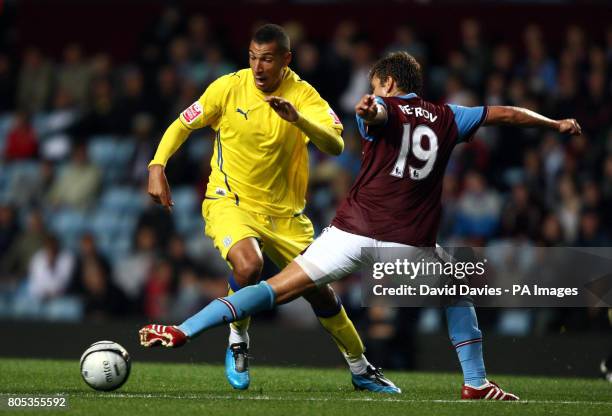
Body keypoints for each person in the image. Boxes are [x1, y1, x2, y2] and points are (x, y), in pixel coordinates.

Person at [141, 51, 583, 399]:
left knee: (273, 289)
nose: (373, 93)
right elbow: (504, 113)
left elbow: (377, 116)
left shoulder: (381, 108)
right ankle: (476, 381)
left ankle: (184, 329)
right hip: (406, 248)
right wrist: (555, 122)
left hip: (349, 235)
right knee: (457, 288)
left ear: (388, 83)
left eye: (376, 86)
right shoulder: (449, 117)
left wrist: (371, 110)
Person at [144, 24, 397, 393]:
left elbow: (336, 145)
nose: (258, 67)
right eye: (252, 57)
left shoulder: (304, 95)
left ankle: (361, 368)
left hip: (286, 217)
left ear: (286, 59)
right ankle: (237, 342)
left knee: (321, 293)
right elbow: (182, 124)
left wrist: (299, 119)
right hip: (230, 201)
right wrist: (157, 166)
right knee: (249, 264)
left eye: (267, 59)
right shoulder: (228, 87)